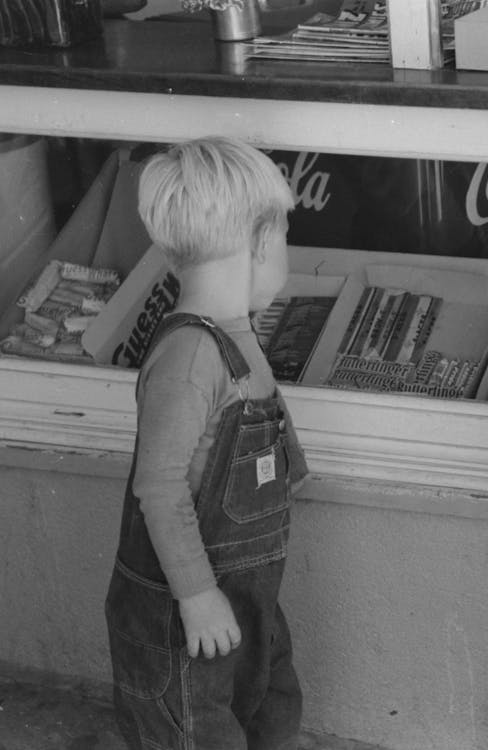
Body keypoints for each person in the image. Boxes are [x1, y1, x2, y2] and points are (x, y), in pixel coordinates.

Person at [104, 136, 309, 750]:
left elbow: (255, 423)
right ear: (259, 241)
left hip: (247, 598)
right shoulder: (190, 356)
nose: (287, 252)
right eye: (287, 238)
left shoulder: (234, 334)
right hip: (184, 616)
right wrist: (196, 596)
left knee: (271, 711)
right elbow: (160, 487)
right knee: (196, 732)